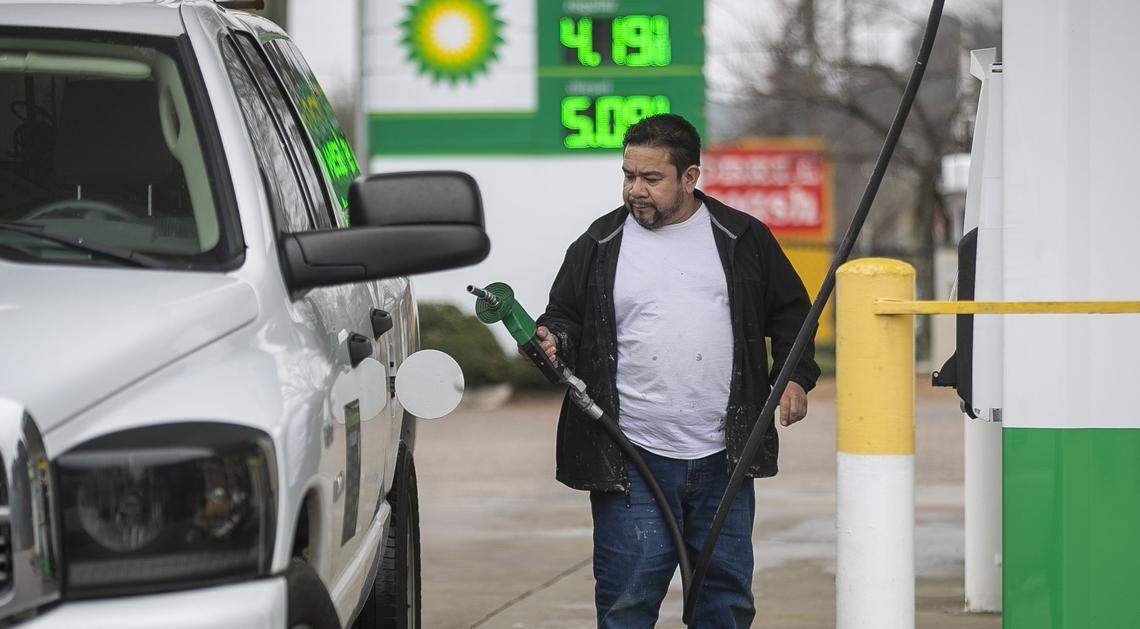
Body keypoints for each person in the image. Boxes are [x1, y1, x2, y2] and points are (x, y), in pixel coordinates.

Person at [535, 113, 821, 628]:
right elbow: (563, 316)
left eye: (651, 179)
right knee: (627, 600)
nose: (635, 190)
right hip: (629, 450)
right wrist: (553, 339)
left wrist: (795, 376)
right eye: (628, 176)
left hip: (722, 453)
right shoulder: (599, 244)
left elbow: (791, 313)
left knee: (725, 602)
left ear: (690, 178)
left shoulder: (740, 238)